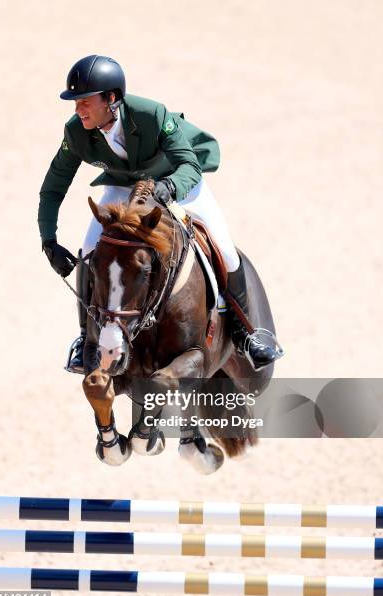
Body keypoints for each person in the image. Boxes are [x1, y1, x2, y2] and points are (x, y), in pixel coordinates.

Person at [38, 55, 278, 373]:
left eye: (84, 101)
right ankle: (87, 339)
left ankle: (245, 333)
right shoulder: (76, 132)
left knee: (225, 249)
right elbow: (53, 187)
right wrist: (49, 240)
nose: (78, 109)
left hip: (177, 182)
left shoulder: (151, 114)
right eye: (75, 102)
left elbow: (189, 164)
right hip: (123, 187)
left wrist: (169, 188)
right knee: (88, 252)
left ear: (111, 99)